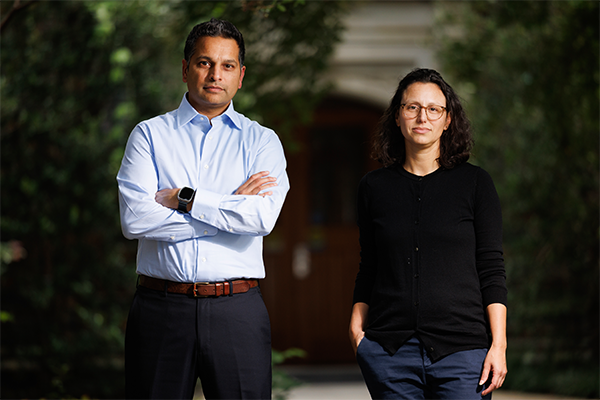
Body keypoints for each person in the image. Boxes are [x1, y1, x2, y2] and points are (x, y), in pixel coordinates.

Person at [117, 18, 289, 400]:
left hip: (237, 312)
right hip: (160, 309)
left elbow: (261, 218)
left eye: (227, 65)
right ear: (185, 68)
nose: (215, 74)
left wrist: (186, 200)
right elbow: (135, 219)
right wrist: (227, 209)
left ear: (241, 76)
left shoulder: (262, 142)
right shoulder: (149, 136)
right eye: (204, 63)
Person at [349, 68, 508, 399]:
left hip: (464, 354)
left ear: (448, 120)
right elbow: (370, 265)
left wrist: (499, 345)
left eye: (434, 109)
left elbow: (491, 268)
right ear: (397, 116)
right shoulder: (373, 188)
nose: (423, 116)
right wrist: (357, 331)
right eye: (412, 107)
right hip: (389, 353)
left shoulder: (475, 184)